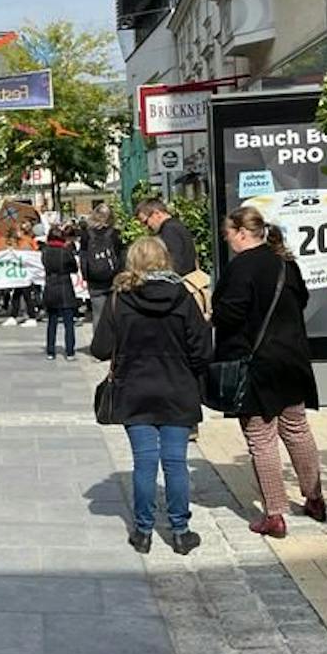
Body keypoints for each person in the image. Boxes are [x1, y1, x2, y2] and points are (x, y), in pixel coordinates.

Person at [90, 236, 208, 555]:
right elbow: (203, 348)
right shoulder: (183, 297)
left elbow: (100, 348)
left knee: (144, 461)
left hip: (135, 388)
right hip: (177, 388)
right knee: (175, 462)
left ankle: (143, 532)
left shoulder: (121, 299)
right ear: (165, 259)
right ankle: (180, 532)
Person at [215, 206, 325, 538]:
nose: (228, 241)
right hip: (291, 358)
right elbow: (301, 301)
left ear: (241, 233)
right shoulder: (285, 263)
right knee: (297, 428)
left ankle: (275, 515)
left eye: (228, 234)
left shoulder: (241, 269)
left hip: (255, 365)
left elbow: (228, 315)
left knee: (261, 439)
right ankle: (315, 497)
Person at [80, 205, 125, 335]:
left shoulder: (86, 234)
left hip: (94, 280)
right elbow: (121, 257)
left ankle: (99, 346)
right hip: (113, 278)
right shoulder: (115, 234)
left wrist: (86, 276)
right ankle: (114, 345)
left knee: (98, 314)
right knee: (115, 313)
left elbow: (83, 257)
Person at [40, 225, 80, 360]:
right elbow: (74, 268)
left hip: (50, 286)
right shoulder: (65, 251)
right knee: (69, 322)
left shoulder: (45, 251)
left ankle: (50, 350)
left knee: (52, 321)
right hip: (64, 286)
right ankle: (70, 351)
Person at [137, 198, 199, 276]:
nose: (146, 227)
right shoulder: (176, 225)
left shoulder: (169, 230)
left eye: (146, 222)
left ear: (157, 213)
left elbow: (175, 263)